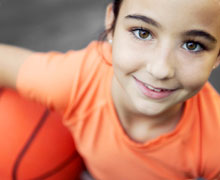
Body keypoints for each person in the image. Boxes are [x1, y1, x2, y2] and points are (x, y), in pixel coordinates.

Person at [0, 0, 220, 179]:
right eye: (142, 32)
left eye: (193, 45)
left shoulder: (214, 135)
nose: (161, 69)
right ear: (111, 24)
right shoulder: (80, 78)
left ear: (217, 56)